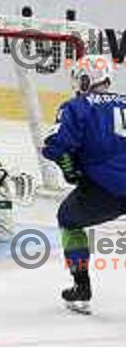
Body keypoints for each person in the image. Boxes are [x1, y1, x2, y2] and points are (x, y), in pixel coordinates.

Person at [42, 54, 126, 312]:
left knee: (68, 219)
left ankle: (81, 286)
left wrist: (69, 169)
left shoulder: (77, 106)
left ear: (86, 80)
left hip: (106, 190)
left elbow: (56, 145)